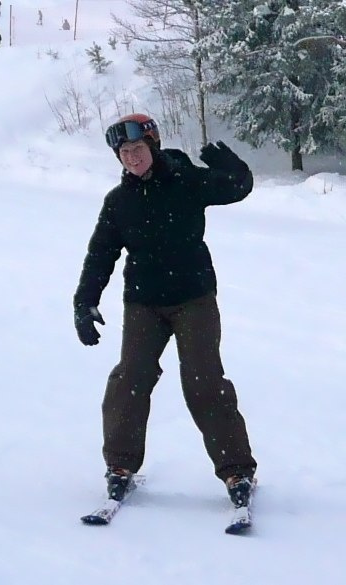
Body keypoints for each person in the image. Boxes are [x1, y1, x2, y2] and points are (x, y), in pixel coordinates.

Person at [73, 114, 257, 507]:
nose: (132, 157)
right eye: (124, 152)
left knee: (204, 382)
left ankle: (237, 471)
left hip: (193, 299)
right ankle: (120, 467)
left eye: (137, 148)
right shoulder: (118, 202)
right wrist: (84, 302)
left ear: (153, 146)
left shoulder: (186, 181)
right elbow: (100, 255)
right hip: (143, 302)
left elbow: (237, 188)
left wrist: (231, 166)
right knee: (129, 379)